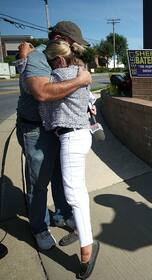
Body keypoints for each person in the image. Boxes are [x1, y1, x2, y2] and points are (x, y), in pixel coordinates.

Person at [15, 21, 91, 251]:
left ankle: (61, 214)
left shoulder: (56, 56)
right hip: (35, 130)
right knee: (39, 181)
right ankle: (39, 227)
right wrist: (80, 80)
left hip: (55, 127)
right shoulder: (38, 57)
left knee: (59, 174)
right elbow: (41, 92)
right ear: (58, 37)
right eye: (72, 42)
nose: (75, 48)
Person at [42, 39, 99, 279]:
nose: (49, 66)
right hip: (84, 135)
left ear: (59, 59)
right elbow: (89, 102)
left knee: (74, 194)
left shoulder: (54, 78)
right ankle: (82, 235)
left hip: (70, 140)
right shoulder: (82, 73)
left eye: (50, 61)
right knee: (78, 191)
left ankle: (87, 247)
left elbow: (44, 112)